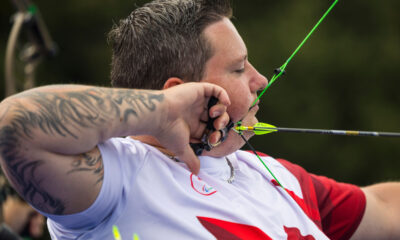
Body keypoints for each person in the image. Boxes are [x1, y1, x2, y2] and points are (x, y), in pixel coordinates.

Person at [0, 0, 399, 239]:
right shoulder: (118, 178)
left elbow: (384, 207)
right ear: (182, 91)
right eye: (240, 68)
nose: (261, 80)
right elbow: (13, 125)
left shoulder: (270, 175)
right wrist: (159, 110)